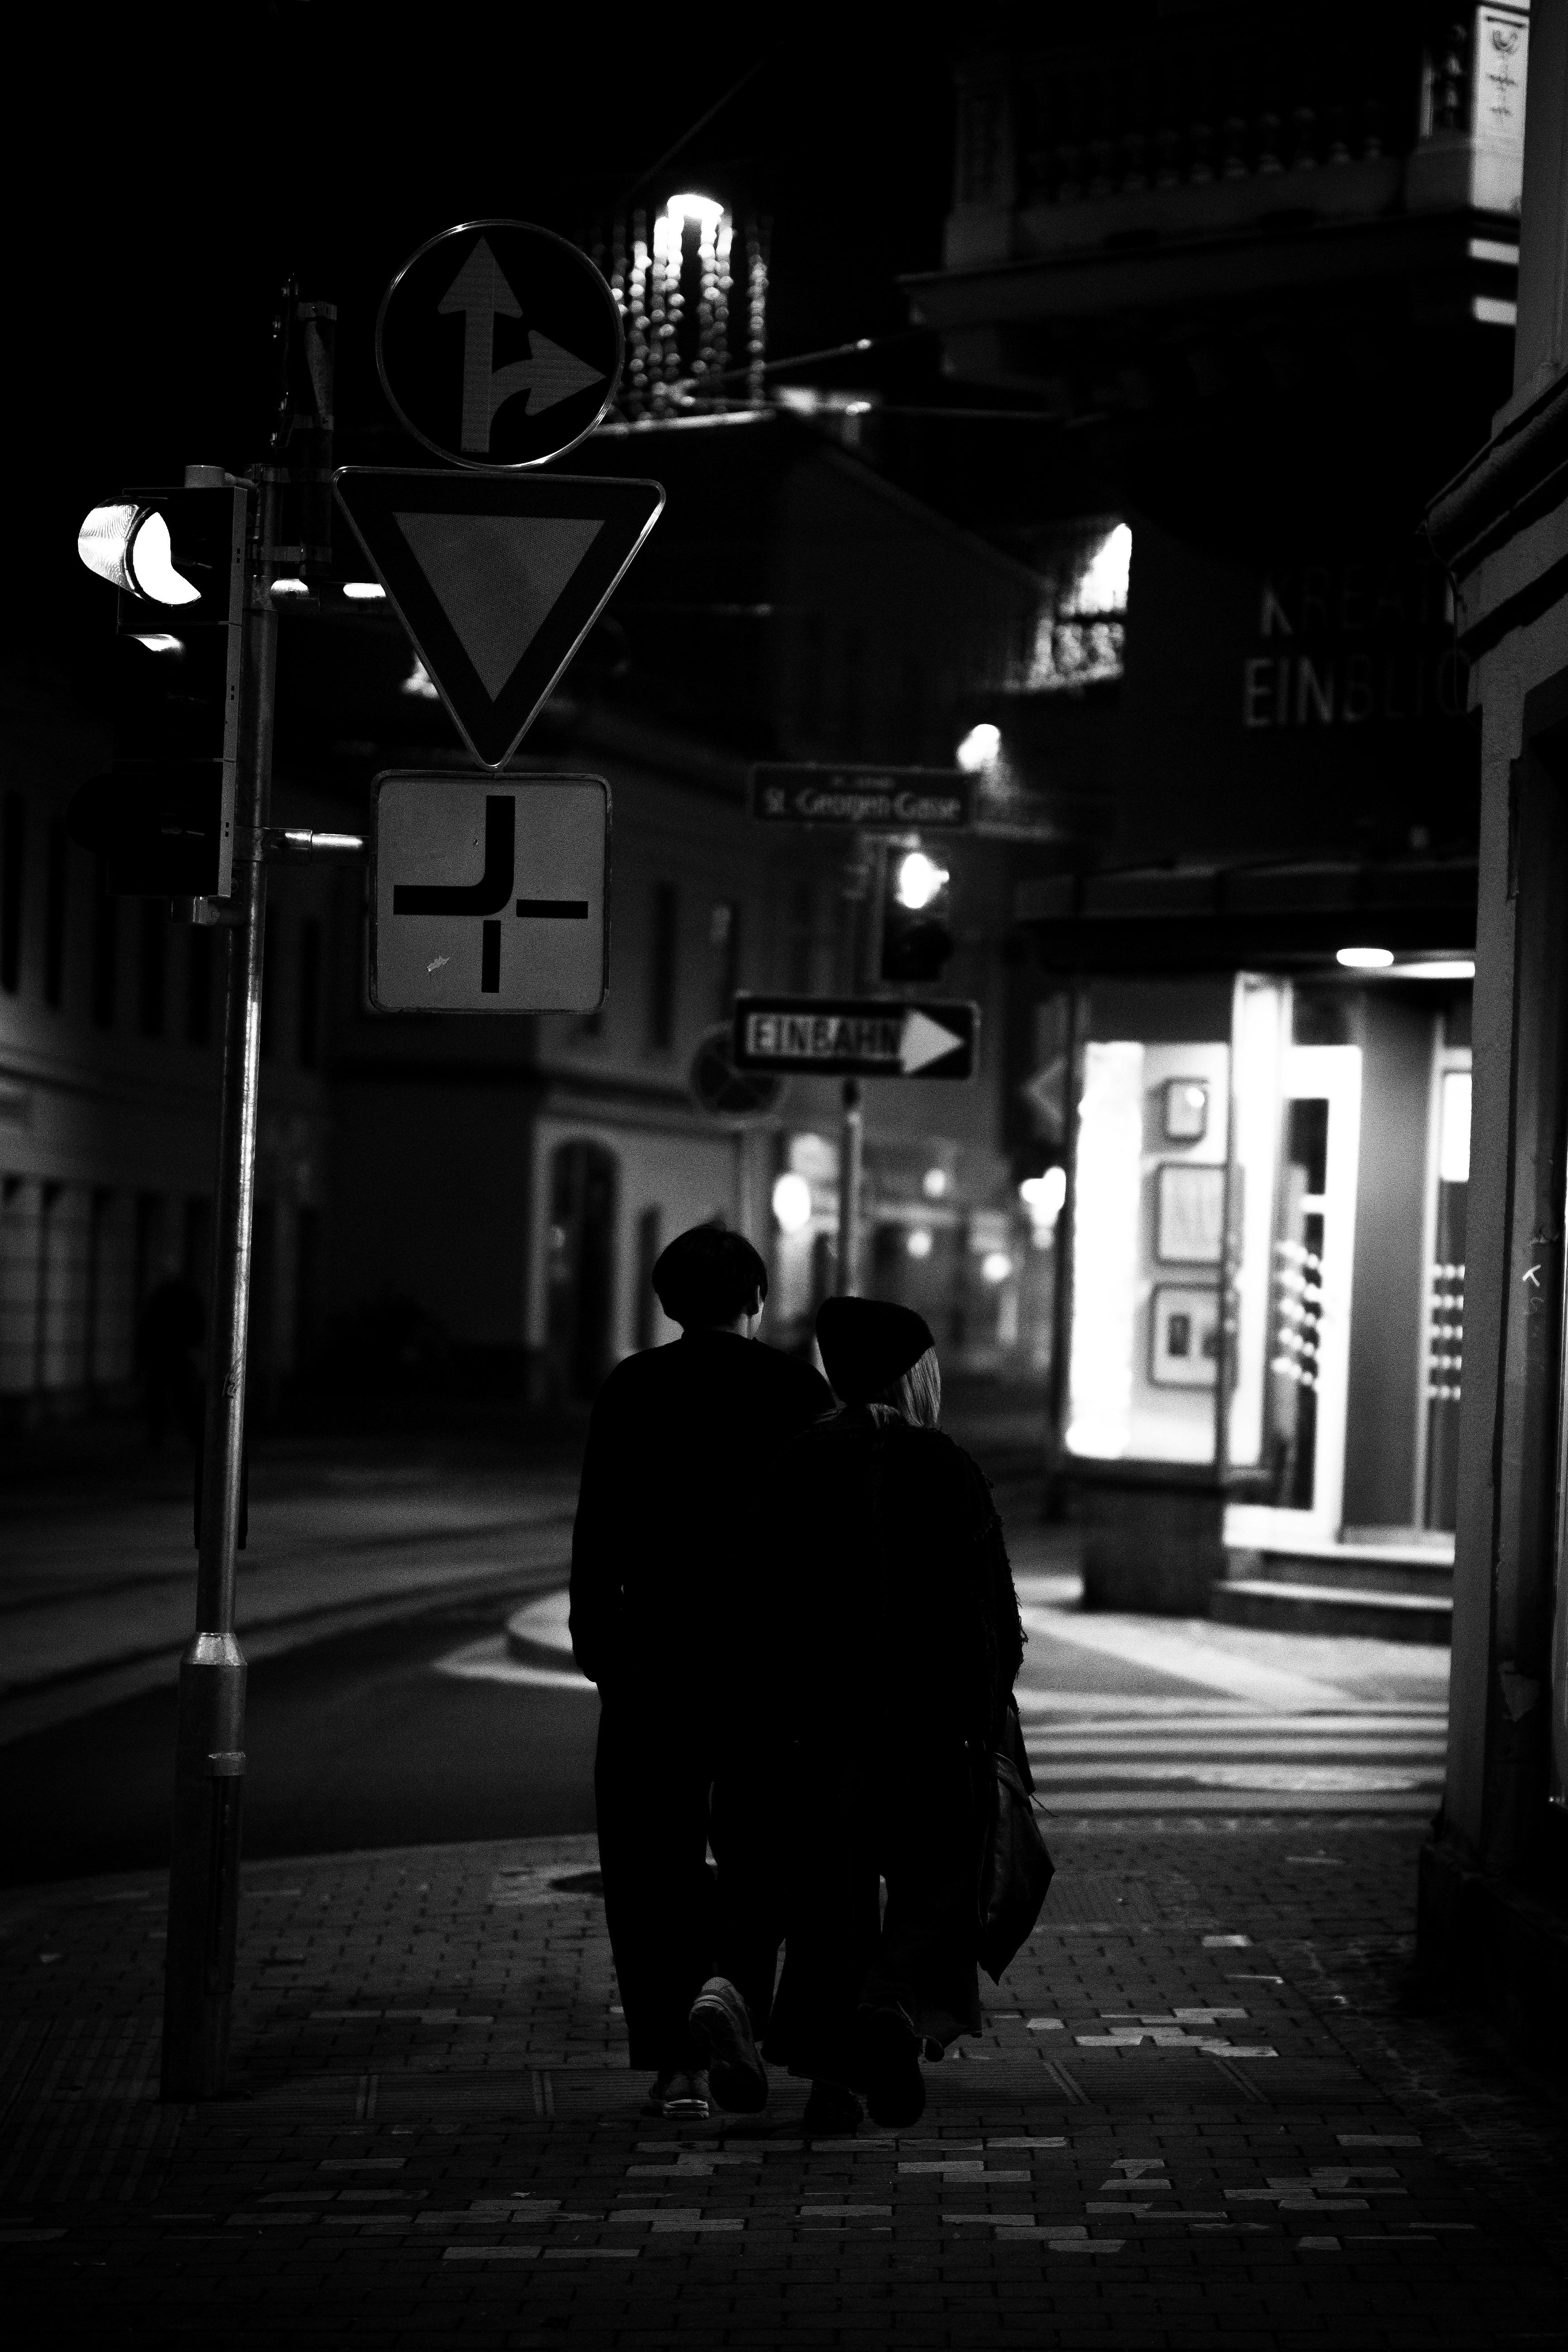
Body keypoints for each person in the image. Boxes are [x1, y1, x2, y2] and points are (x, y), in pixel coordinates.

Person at [569, 1223, 834, 2121]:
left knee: (649, 1862)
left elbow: (597, 1531)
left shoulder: (633, 1388)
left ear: (666, 1301)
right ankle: (735, 2004)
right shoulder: (798, 1391)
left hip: (654, 1660)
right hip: (768, 1667)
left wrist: (603, 1652)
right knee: (763, 1854)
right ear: (756, 1297)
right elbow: (819, 1546)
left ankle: (674, 2060)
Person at [759, 1296, 1025, 2134]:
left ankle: (834, 2081)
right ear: (914, 1377)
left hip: (818, 1728)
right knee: (939, 1888)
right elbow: (995, 1618)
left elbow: (757, 1608)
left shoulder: (795, 1464)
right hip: (933, 1730)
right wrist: (982, 1722)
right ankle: (888, 2011)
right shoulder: (944, 1466)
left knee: (827, 1909)